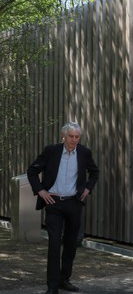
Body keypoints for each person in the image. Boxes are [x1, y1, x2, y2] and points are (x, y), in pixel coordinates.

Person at [27, 122, 99, 294]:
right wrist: (41, 191)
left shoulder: (84, 153)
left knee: (71, 243)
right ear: (63, 136)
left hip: (74, 203)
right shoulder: (51, 151)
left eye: (77, 137)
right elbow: (32, 171)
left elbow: (94, 172)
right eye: (71, 136)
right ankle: (52, 286)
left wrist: (88, 189)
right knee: (53, 243)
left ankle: (63, 279)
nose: (74, 140)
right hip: (54, 203)